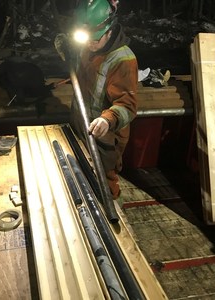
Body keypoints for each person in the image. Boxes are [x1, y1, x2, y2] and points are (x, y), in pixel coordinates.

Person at [69, 0, 139, 200]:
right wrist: (66, 49)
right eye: (86, 40)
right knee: (82, 176)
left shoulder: (123, 59)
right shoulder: (88, 47)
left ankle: (112, 222)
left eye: (95, 40)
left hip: (105, 135)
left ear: (109, 30)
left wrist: (107, 120)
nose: (90, 44)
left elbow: (128, 106)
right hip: (80, 123)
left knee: (104, 183)